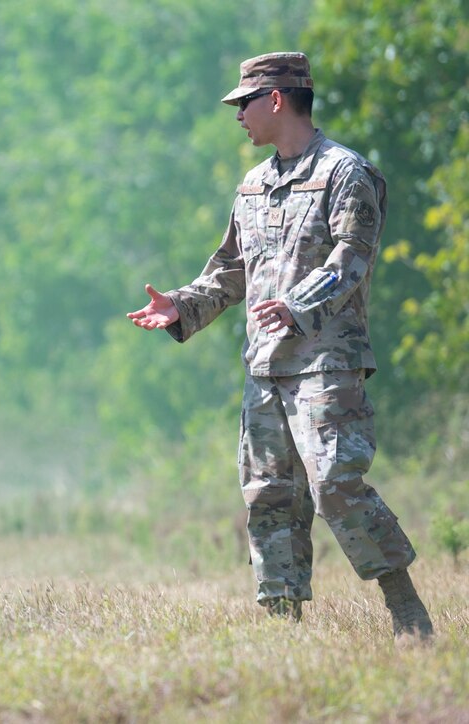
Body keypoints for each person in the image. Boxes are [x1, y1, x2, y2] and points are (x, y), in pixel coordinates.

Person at [127, 52, 433, 642]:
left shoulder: (347, 174)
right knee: (269, 498)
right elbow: (230, 272)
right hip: (265, 368)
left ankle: (408, 614)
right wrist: (180, 306)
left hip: (326, 362)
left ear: (275, 99)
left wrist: (298, 304)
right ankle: (281, 629)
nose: (237, 115)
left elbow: (352, 260)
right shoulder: (254, 185)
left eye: (243, 103)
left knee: (335, 484)